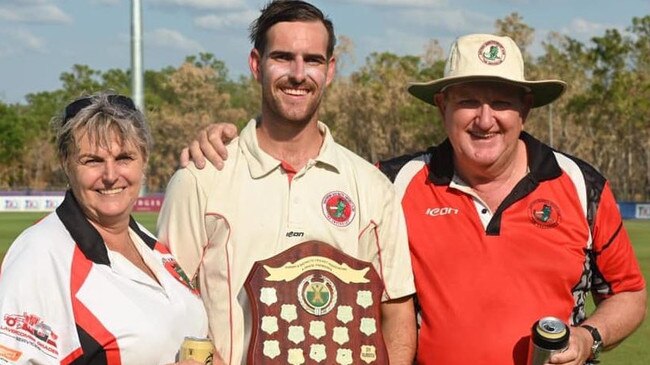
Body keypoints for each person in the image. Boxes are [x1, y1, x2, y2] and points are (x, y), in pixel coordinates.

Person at [188, 34, 647, 365]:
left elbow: (628, 292)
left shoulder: (580, 184)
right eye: (469, 101)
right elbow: (307, 173)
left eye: (501, 102)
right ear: (442, 105)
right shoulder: (393, 182)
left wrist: (589, 337)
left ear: (525, 108)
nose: (485, 120)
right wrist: (235, 141)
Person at [157, 1, 416, 365]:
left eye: (312, 60)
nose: (298, 74)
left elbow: (397, 311)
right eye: (282, 57)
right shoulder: (202, 177)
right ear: (255, 64)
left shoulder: (371, 186)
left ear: (330, 70)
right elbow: (165, 300)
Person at [0, 92, 208, 364]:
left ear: (143, 159)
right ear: (66, 163)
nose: (110, 176)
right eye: (93, 161)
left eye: (124, 158)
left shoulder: (152, 246)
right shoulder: (40, 255)